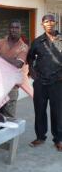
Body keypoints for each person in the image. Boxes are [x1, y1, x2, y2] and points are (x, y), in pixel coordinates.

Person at [27, 14, 62, 151]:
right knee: (39, 110)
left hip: (58, 82)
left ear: (56, 23)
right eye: (46, 21)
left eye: (52, 21)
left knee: (57, 112)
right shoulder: (37, 41)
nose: (49, 23)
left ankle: (58, 139)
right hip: (41, 82)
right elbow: (30, 58)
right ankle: (40, 137)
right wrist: (32, 71)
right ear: (42, 24)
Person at [0, 19, 28, 118]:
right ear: (8, 29)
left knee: (8, 119)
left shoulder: (24, 47)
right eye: (12, 27)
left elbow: (17, 64)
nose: (14, 30)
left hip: (12, 88)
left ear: (20, 30)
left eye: (16, 27)